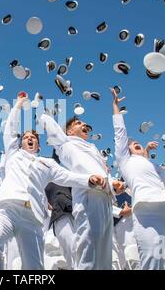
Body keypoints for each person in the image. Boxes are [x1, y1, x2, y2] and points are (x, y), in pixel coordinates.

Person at [0, 92, 106, 270]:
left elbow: (66, 176)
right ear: (20, 142)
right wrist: (18, 105)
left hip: (33, 217)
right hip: (7, 210)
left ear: (38, 145)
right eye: (26, 137)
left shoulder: (47, 163)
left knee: (35, 268)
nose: (29, 138)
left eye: (34, 138)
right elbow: (9, 129)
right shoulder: (13, 155)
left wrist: (88, 179)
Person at [111, 88, 165, 270]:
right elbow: (120, 135)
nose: (134, 143)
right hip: (147, 211)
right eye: (132, 144)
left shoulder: (158, 169)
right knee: (152, 262)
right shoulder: (126, 161)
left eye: (136, 143)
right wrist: (115, 107)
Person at [40, 106, 123, 270]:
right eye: (78, 123)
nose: (84, 125)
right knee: (88, 255)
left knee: (104, 258)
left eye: (85, 124)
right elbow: (52, 129)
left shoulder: (93, 149)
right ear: (69, 132)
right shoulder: (67, 145)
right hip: (88, 199)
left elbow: (101, 172)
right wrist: (43, 114)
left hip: (105, 201)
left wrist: (114, 185)